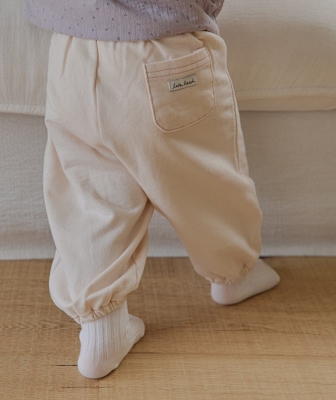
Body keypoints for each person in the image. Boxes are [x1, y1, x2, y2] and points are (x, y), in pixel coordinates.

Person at [23, 0, 280, 379]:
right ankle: (235, 274)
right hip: (162, 48)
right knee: (205, 180)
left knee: (91, 197)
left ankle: (103, 328)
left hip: (70, 54)